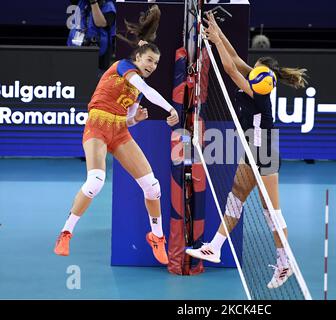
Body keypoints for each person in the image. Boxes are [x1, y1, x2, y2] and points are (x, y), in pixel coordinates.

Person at [185, 12, 307, 289]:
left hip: (264, 150)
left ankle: (285, 261)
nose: (251, 69)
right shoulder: (257, 78)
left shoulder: (260, 89)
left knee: (271, 212)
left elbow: (230, 69)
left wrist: (215, 41)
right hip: (252, 148)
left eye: (257, 69)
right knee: (234, 199)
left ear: (265, 74)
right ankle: (214, 247)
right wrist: (216, 30)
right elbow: (236, 60)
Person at [54, 5, 179, 266]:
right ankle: (65, 233)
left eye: (156, 63)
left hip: (119, 132)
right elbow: (142, 85)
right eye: (149, 61)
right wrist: (170, 108)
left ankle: (157, 237)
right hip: (97, 127)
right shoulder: (123, 66)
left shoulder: (137, 90)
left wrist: (136, 118)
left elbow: (128, 119)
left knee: (152, 187)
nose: (153, 66)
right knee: (96, 181)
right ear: (138, 58)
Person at [68, 0, 116, 71]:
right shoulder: (81, 2)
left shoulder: (108, 6)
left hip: (99, 52)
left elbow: (100, 23)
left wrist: (93, 2)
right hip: (78, 46)